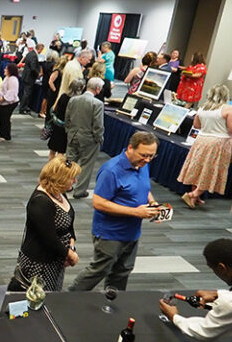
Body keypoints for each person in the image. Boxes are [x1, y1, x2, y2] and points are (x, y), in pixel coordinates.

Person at [68, 131, 161, 292]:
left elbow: (144, 188)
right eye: (144, 155)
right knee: (99, 270)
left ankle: (113, 301)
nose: (147, 160)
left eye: (151, 156)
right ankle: (69, 298)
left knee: (122, 271)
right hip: (110, 233)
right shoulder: (111, 170)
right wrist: (135, 212)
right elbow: (98, 202)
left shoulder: (142, 165)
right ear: (130, 148)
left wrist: (152, 202)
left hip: (132, 233)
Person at [9, 158, 81, 292]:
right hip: (40, 264)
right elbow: (49, 238)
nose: (75, 181)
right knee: (36, 300)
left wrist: (71, 245)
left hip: (56, 260)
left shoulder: (59, 193)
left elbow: (69, 223)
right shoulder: (41, 202)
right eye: (72, 178)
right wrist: (69, 254)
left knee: (52, 295)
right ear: (60, 179)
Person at [178, 85, 232, 209]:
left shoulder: (202, 108)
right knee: (211, 171)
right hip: (219, 143)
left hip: (201, 140)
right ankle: (193, 194)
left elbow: (196, 125)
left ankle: (196, 196)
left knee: (199, 168)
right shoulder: (228, 109)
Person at [65, 77, 105, 198]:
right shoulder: (97, 104)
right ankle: (80, 191)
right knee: (86, 165)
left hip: (72, 136)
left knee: (69, 163)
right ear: (97, 89)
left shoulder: (73, 100)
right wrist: (99, 138)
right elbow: (98, 125)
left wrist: (69, 131)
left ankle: (64, 185)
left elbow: (67, 118)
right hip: (89, 139)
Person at [47, 78, 83, 160]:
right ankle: (57, 170)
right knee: (61, 151)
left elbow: (56, 109)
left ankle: (50, 168)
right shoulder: (76, 101)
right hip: (66, 128)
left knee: (52, 150)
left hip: (57, 125)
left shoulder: (63, 96)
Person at [0, 61, 19, 141]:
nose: (4, 70)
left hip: (9, 102)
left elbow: (12, 91)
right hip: (2, 102)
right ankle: (2, 132)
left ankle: (6, 135)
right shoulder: (6, 78)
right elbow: (3, 88)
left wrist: (4, 98)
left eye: (6, 69)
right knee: (1, 118)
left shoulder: (13, 79)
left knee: (5, 119)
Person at [17, 39, 40, 115]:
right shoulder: (34, 55)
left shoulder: (30, 53)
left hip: (25, 76)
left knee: (26, 92)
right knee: (27, 93)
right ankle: (22, 108)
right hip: (29, 77)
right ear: (39, 49)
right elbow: (33, 68)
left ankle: (24, 106)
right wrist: (38, 74)